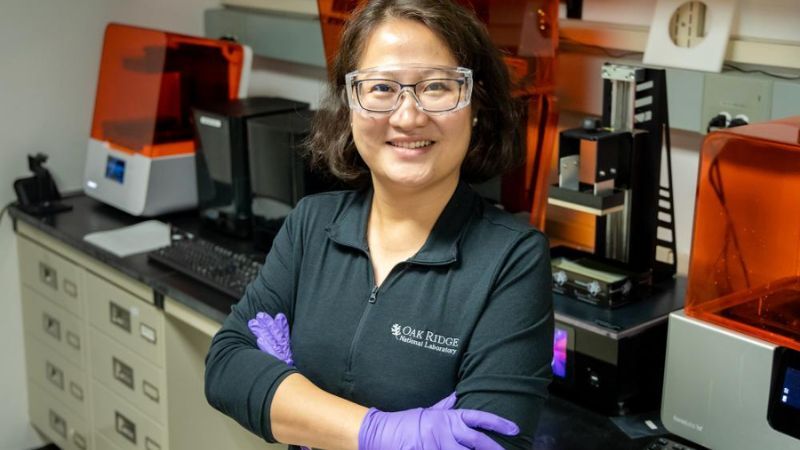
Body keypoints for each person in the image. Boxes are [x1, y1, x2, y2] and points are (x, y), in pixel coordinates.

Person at [204, 0, 554, 449]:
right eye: (382, 88)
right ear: (350, 104)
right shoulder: (311, 225)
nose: (408, 117)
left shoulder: (512, 259)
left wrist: (296, 404)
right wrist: (377, 433)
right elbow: (226, 366)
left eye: (437, 86)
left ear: (475, 104)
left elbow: (487, 440)